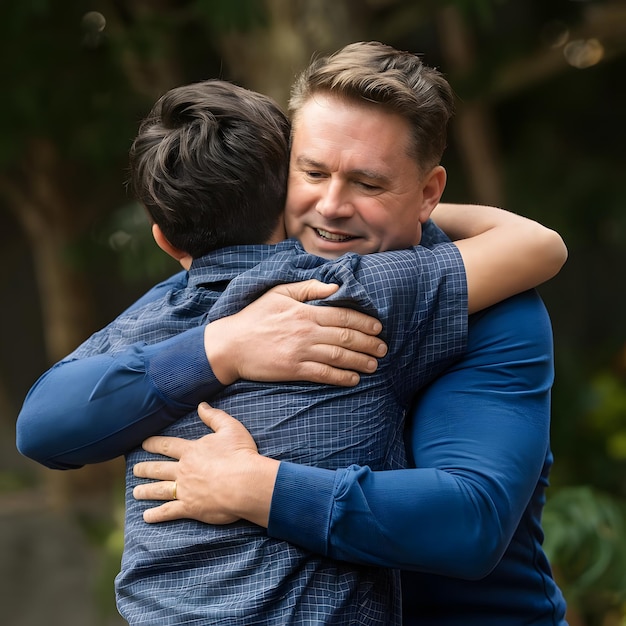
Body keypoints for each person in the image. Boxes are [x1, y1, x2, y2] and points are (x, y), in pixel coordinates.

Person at [15, 42, 568, 625]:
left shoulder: (488, 302)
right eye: (312, 172)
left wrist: (254, 486)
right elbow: (48, 422)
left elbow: (468, 521)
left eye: (368, 183)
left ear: (430, 192)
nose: (331, 206)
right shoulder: (230, 295)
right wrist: (222, 348)